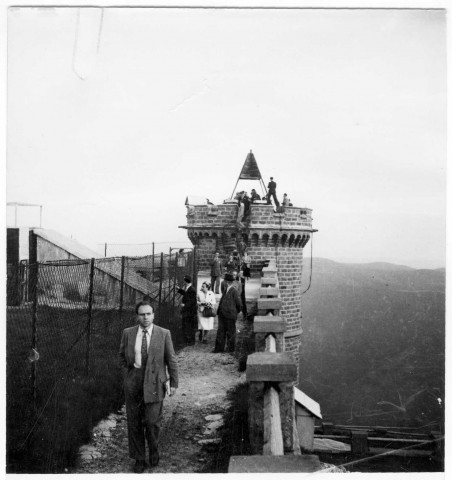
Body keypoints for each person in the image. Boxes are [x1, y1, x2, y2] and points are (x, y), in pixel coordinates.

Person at [119, 300, 179, 473]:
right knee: (134, 422)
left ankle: (153, 450)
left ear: (153, 315)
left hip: (154, 384)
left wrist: (173, 382)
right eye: (142, 314)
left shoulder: (163, 333)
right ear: (137, 316)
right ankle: (139, 458)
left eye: (148, 314)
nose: (145, 318)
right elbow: (121, 356)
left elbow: (171, 359)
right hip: (134, 383)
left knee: (152, 422)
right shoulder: (128, 333)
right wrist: (127, 377)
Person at [213, 273, 242, 353]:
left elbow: (239, 304)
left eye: (224, 281)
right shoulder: (226, 290)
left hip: (230, 315)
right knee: (221, 331)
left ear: (226, 282)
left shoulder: (234, 291)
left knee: (231, 332)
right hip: (222, 314)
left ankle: (230, 349)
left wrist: (234, 312)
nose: (223, 282)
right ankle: (219, 348)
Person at [177, 275, 197, 346]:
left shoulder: (192, 290)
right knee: (186, 325)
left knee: (189, 326)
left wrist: (185, 305)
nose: (184, 282)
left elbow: (192, 301)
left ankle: (190, 341)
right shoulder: (189, 288)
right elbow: (186, 295)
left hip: (189, 311)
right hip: (187, 311)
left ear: (186, 281)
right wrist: (179, 290)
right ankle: (187, 340)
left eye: (184, 281)